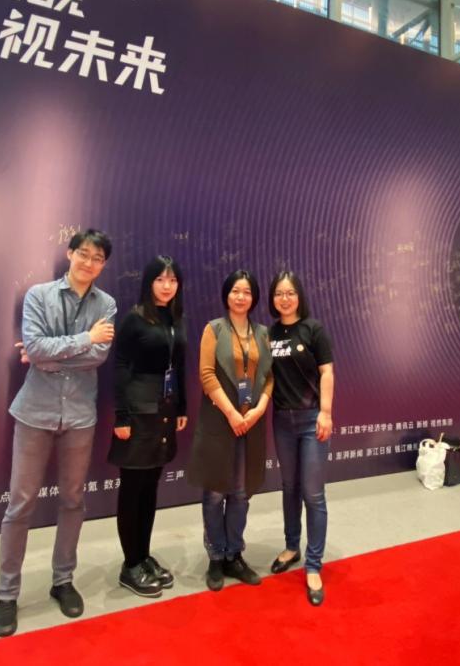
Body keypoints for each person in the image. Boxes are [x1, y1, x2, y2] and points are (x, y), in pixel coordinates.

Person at [0, 229, 117, 637]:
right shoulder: (39, 295)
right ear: (69, 253)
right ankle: (6, 594)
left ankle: (63, 580)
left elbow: (98, 356)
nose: (89, 263)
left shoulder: (106, 304)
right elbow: (35, 347)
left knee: (73, 500)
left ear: (103, 265)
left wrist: (49, 355)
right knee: (20, 504)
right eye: (84, 254)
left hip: (79, 415)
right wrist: (84, 340)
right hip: (35, 412)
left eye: (97, 258)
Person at [107, 256, 189, 597]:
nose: (167, 286)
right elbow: (120, 366)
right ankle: (130, 565)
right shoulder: (135, 318)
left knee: (151, 486)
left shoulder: (176, 318)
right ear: (149, 282)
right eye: (160, 279)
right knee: (133, 488)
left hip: (164, 410)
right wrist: (122, 415)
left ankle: (143, 555)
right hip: (138, 410)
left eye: (172, 280)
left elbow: (179, 366)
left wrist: (181, 406)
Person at [187, 269, 272, 591]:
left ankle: (234, 554)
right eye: (236, 290)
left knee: (241, 492)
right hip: (220, 420)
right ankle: (215, 556)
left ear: (254, 298)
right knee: (214, 492)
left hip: (251, 424)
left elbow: (270, 376)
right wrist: (232, 413)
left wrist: (259, 408)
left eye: (247, 292)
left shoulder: (263, 333)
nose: (241, 297)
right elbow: (207, 375)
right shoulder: (214, 329)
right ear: (227, 294)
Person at [267, 271, 334, 606]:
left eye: (290, 292)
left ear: (299, 296)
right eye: (279, 293)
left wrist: (326, 412)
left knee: (313, 494)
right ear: (273, 298)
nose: (285, 298)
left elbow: (327, 371)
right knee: (289, 487)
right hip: (282, 420)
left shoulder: (313, 329)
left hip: (311, 420)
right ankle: (292, 546)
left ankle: (314, 564)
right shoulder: (269, 333)